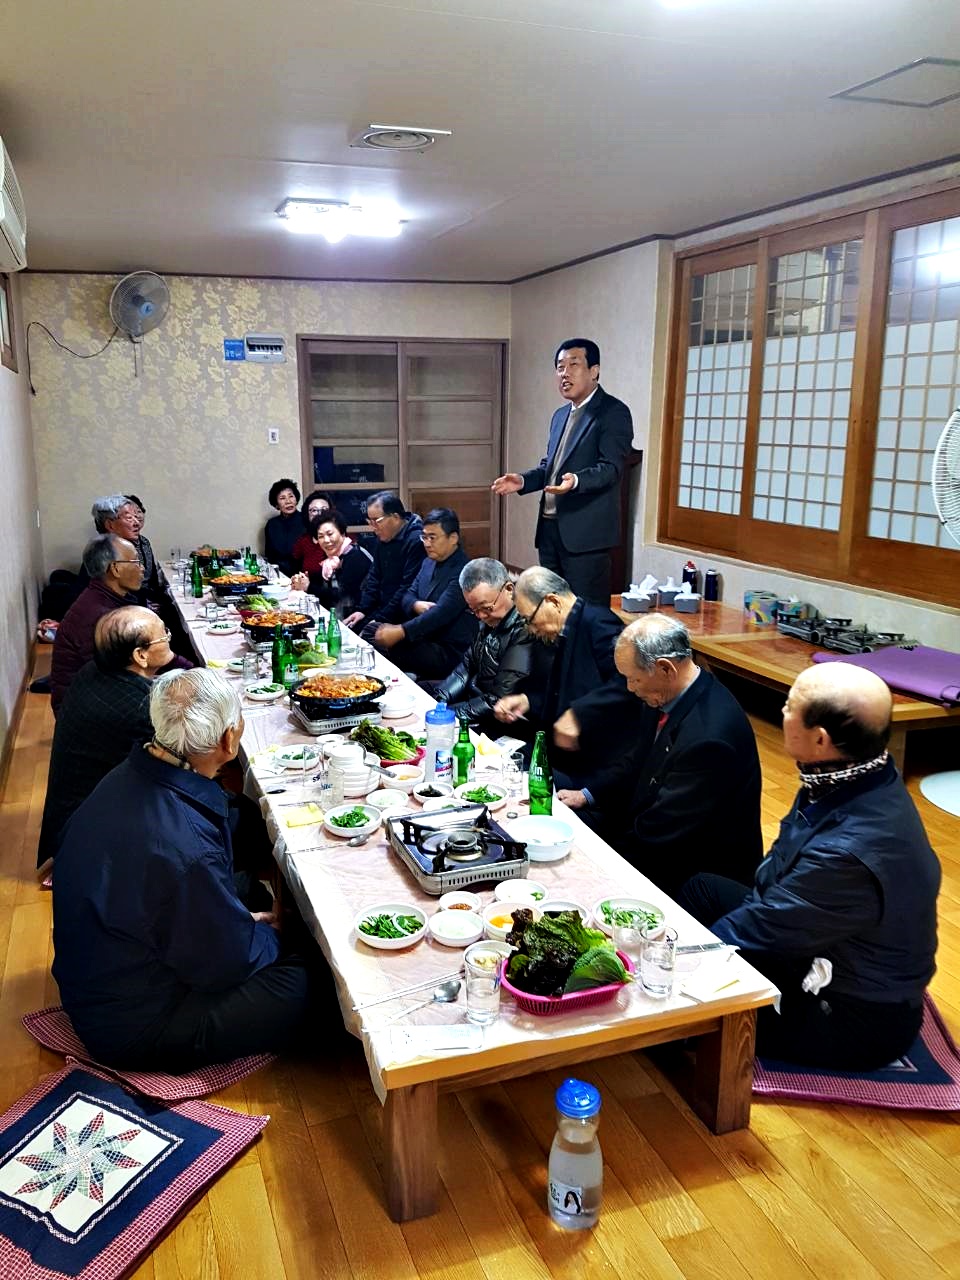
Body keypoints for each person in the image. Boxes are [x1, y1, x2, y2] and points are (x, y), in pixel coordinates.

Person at [679, 664, 941, 1071]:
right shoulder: (856, 772)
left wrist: (674, 963)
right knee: (703, 888)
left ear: (820, 739)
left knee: (685, 1019)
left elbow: (762, 930)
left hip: (853, 1011)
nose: (782, 712)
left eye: (788, 706)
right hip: (816, 937)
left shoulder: (850, 851)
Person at [52, 668, 311, 1071]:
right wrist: (269, 934)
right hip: (135, 1025)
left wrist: (245, 922)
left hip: (99, 975)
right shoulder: (185, 846)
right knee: (309, 982)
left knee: (247, 891)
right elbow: (226, 965)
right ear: (229, 740)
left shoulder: (129, 772)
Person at [561, 615, 763, 896]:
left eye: (634, 678)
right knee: (565, 817)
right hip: (651, 825)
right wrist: (587, 794)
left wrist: (598, 866)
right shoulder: (666, 692)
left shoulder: (709, 740)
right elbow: (637, 759)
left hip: (693, 865)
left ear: (665, 668)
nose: (630, 688)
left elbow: (661, 831)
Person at [491, 339, 633, 605]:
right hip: (549, 531)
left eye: (573, 364)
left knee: (582, 614)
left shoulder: (613, 412)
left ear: (594, 371)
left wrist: (576, 481)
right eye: (559, 367)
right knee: (549, 610)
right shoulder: (559, 415)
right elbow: (550, 467)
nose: (564, 373)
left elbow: (611, 468)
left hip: (585, 537)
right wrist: (522, 481)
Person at [37, 607, 174, 868]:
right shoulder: (140, 710)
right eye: (163, 634)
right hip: (94, 837)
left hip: (71, 815)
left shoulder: (93, 671)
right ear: (140, 655)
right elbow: (174, 777)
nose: (169, 636)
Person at [493, 566, 634, 786]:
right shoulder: (564, 629)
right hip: (558, 746)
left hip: (594, 760)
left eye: (529, 619)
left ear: (553, 602)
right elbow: (562, 689)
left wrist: (579, 714)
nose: (531, 629)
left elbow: (628, 683)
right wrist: (528, 701)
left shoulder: (600, 624)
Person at [51, 534, 191, 716]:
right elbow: (123, 679)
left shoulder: (104, 598)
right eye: (135, 561)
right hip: (87, 713)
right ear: (115, 569)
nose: (142, 568)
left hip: (102, 694)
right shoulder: (101, 616)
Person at [430, 558, 534, 733]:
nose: (480, 616)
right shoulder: (490, 620)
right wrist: (438, 700)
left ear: (509, 589)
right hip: (475, 703)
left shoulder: (525, 628)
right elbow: (467, 665)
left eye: (486, 608)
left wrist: (449, 715)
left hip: (502, 722)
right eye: (474, 610)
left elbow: (499, 698)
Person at [372, 508, 477, 680]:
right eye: (424, 537)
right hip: (424, 638)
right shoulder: (428, 562)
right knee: (374, 633)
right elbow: (407, 596)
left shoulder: (465, 571)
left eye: (432, 538)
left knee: (392, 644)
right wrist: (415, 604)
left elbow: (441, 613)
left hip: (449, 650)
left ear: (453, 538)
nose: (427, 543)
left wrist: (401, 631)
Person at [342, 492, 426, 640]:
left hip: (403, 614)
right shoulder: (384, 536)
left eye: (377, 521)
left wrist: (380, 619)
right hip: (382, 608)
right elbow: (374, 576)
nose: (373, 527)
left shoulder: (415, 541)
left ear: (395, 517)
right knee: (347, 630)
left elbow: (406, 588)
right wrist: (363, 610)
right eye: (370, 521)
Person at [289, 508, 372, 615]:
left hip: (359, 616)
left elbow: (341, 596)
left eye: (330, 534)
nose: (326, 540)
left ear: (342, 533)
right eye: (321, 536)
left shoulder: (355, 556)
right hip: (339, 613)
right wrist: (303, 580)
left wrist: (308, 587)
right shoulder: (332, 556)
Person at [91, 494, 164, 603]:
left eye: (136, 516)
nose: (137, 523)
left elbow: (152, 582)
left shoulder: (140, 543)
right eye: (129, 518)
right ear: (110, 525)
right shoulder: (103, 553)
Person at [264, 478, 306, 576]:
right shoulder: (271, 524)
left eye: (291, 496)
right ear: (276, 504)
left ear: (296, 499)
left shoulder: (306, 521)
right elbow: (270, 556)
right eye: (282, 498)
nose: (288, 501)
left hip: (303, 575)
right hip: (279, 576)